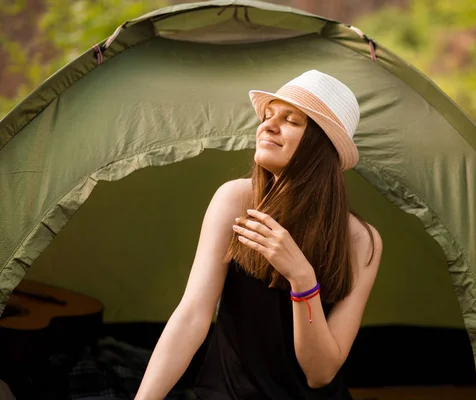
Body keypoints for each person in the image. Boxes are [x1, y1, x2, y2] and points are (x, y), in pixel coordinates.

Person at [134, 70, 382, 400]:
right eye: (268, 116)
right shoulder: (235, 200)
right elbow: (192, 315)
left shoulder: (361, 240)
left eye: (291, 120)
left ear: (322, 145)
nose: (268, 125)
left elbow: (321, 375)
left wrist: (302, 277)